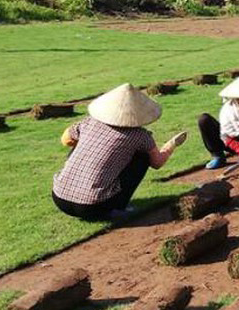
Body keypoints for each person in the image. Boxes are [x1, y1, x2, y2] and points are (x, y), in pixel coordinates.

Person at [52, 83, 185, 220]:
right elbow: (157, 163)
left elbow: (66, 139)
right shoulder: (140, 135)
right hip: (92, 206)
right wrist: (170, 146)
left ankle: (79, 188)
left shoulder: (88, 122)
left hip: (59, 198)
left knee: (78, 143)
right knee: (143, 158)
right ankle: (119, 207)